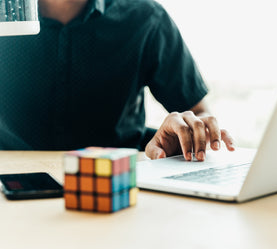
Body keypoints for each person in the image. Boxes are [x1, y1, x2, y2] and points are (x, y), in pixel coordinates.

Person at [0, 0, 235, 161]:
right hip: (12, 180)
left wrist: (189, 130)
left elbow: (198, 114)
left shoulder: (146, 17)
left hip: (119, 178)